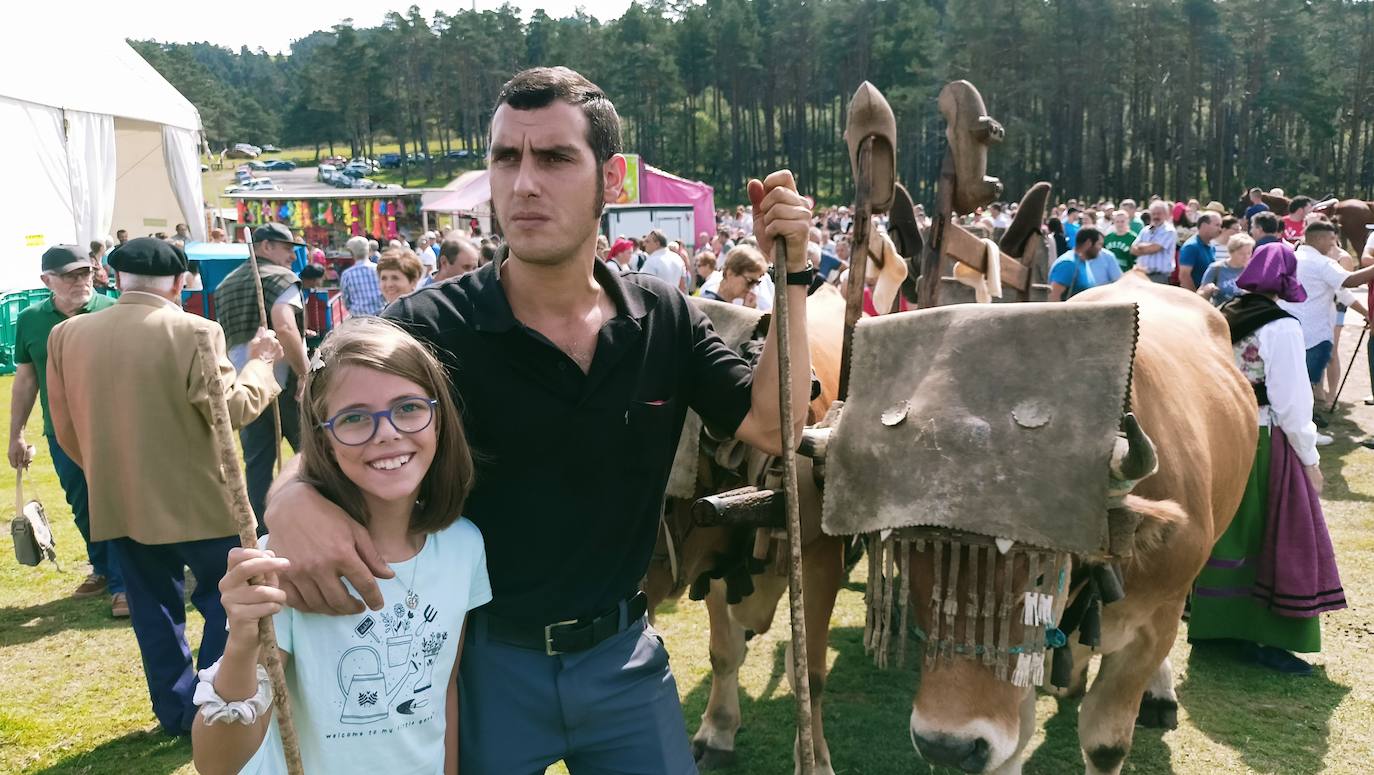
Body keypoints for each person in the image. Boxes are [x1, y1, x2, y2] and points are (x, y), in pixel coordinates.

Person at [260, 65, 812, 774]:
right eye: (505, 157)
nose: (523, 183)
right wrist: (291, 499)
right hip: (482, 663)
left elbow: (776, 423)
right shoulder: (428, 326)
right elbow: (326, 438)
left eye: (554, 158)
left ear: (610, 182)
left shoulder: (663, 317)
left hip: (623, 657)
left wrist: (792, 273)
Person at [191, 317, 487, 775]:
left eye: (408, 407)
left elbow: (441, 690)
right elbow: (217, 763)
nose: (386, 432)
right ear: (323, 441)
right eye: (353, 418)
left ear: (440, 418)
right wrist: (243, 645)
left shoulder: (464, 547)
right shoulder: (286, 562)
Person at [46, 237, 283, 735]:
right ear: (179, 283)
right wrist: (262, 362)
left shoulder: (67, 335)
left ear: (116, 278)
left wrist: (104, 473)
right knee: (227, 603)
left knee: (153, 614)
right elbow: (233, 411)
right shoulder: (195, 330)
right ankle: (214, 703)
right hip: (203, 502)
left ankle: (179, 713)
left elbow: (64, 426)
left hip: (119, 499)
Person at [1192, 241, 1346, 675]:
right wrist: (1310, 457)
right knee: (1273, 533)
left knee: (1227, 529)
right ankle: (1263, 635)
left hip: (1221, 435)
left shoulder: (1223, 315)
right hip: (1262, 437)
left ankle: (1214, 626)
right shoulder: (1282, 327)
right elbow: (1293, 402)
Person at [9, 246, 123, 614]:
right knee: (82, 504)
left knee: (115, 502)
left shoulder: (113, 310)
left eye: (85, 273)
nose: (80, 281)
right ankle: (103, 568)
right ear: (46, 281)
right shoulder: (30, 319)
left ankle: (124, 583)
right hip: (61, 433)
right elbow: (26, 380)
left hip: (114, 430)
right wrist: (17, 434)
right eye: (70, 275)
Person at [215, 223, 311, 527]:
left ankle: (264, 532)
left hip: (246, 386)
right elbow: (283, 326)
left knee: (257, 465)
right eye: (287, 249)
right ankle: (313, 524)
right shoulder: (281, 278)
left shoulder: (226, 283)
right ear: (266, 246)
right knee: (312, 456)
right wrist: (305, 374)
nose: (292, 258)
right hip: (285, 384)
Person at [1280, 221, 1374, 434]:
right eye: (1331, 239)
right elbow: (1349, 281)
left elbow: (1342, 293)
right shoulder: (1321, 263)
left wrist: (1366, 313)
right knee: (1304, 386)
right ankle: (1302, 428)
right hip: (1313, 334)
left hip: (1288, 329)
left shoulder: (1291, 257)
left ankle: (1299, 423)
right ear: (1321, 239)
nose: (1334, 244)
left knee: (1292, 383)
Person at [1048, 227, 1119, 301]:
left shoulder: (1083, 261)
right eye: (1099, 244)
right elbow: (1053, 297)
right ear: (1088, 243)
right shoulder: (1068, 264)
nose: (1101, 249)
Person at [1198, 233, 1256, 307]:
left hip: (1246, 314)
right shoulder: (1216, 268)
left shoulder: (1252, 270)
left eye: (1249, 253)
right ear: (1231, 252)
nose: (1246, 257)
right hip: (1222, 313)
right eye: (1241, 253)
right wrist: (1207, 290)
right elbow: (1200, 294)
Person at [701, 244, 766, 304]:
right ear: (730, 273)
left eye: (756, 282)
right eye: (749, 280)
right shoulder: (708, 304)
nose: (752, 287)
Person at [1131, 201, 1178, 284]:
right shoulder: (1145, 230)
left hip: (1159, 276)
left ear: (1166, 214)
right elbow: (1132, 250)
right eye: (1153, 213)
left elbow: (1155, 248)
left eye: (1159, 213)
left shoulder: (1169, 231)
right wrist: (1148, 247)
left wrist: (1140, 247)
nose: (1156, 216)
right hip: (1141, 274)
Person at [339, 236, 385, 316]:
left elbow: (346, 300)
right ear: (368, 250)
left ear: (351, 253)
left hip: (359, 318)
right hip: (381, 316)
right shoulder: (379, 269)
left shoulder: (347, 274)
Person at [1178, 212, 1221, 292]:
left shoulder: (1211, 246)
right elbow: (1184, 276)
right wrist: (1197, 298)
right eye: (1217, 225)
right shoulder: (1191, 247)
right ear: (1204, 225)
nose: (1219, 229)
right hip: (1194, 299)